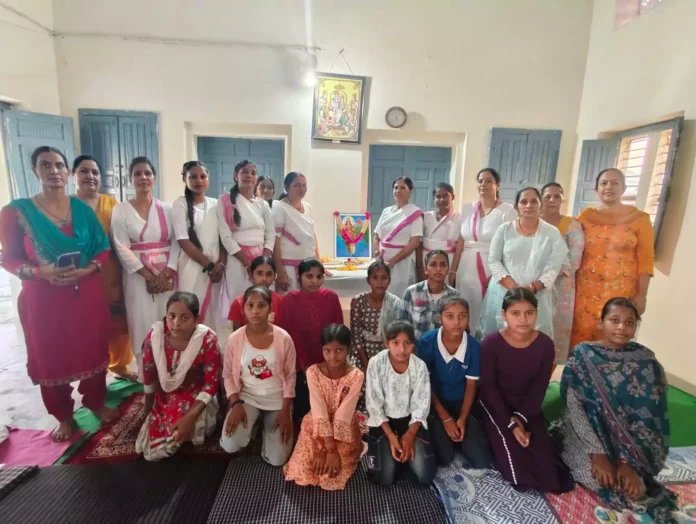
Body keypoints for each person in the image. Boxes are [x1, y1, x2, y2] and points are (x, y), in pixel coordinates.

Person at [0, 146, 118, 441]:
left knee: (92, 347)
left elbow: (102, 249)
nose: (53, 171)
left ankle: (96, 402)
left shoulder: (81, 210)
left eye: (58, 165)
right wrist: (39, 272)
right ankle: (63, 415)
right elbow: (9, 258)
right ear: (34, 171)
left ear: (67, 172)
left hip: (86, 292)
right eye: (45, 165)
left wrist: (88, 269)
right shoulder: (17, 212)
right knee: (50, 354)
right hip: (43, 299)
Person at [560, 298, 675, 522]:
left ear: (635, 327)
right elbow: (574, 406)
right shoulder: (582, 355)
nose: (621, 327)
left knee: (634, 489)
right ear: (601, 322)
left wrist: (628, 463)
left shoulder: (647, 362)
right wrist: (598, 453)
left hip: (633, 446)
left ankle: (635, 472)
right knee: (596, 478)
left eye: (629, 322)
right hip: (589, 433)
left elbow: (652, 419)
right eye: (614, 320)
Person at [479, 288, 572, 493]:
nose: (523, 319)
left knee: (548, 469)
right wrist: (511, 424)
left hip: (527, 406)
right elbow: (488, 388)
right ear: (504, 315)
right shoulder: (491, 344)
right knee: (516, 469)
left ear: (536, 314)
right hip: (496, 406)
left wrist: (521, 417)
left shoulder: (545, 345)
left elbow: (539, 387)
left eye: (529, 313)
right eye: (515, 313)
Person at [112, 157, 179, 378]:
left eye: (147, 173)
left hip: (166, 276)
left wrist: (166, 272)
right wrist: (148, 276)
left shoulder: (167, 210)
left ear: (154, 177)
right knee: (141, 320)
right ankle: (147, 375)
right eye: (137, 174)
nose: (143, 178)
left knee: (168, 320)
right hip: (137, 277)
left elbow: (177, 242)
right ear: (130, 179)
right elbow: (121, 246)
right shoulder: (121, 210)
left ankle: (170, 372)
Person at [571, 168, 654, 348]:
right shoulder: (586, 217)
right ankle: (579, 375)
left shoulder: (639, 219)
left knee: (615, 337)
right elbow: (569, 244)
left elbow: (646, 260)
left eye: (615, 183)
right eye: (604, 183)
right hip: (585, 294)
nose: (609, 187)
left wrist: (642, 295)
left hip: (622, 293)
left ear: (623, 188)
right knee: (582, 340)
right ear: (597, 189)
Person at [135, 292, 222, 461]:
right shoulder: (155, 338)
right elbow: (149, 374)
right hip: (165, 397)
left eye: (184, 317)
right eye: (171, 316)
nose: (176, 323)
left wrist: (190, 417)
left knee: (185, 432)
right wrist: (147, 411)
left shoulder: (207, 340)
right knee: (146, 449)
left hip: (197, 396)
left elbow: (211, 383)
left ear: (196, 319)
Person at [74, 154, 135, 381]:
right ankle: (92, 372)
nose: (90, 176)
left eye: (95, 172)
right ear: (73, 176)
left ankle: (119, 365)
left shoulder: (112, 205)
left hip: (111, 270)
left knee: (119, 321)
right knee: (89, 326)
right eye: (83, 171)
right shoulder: (68, 206)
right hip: (81, 274)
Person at [220, 286, 296, 466]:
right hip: (247, 398)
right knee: (231, 444)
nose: (255, 311)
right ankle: (252, 426)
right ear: (243, 308)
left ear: (270, 308)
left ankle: (265, 433)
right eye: (250, 305)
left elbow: (291, 376)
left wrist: (285, 410)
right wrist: (236, 403)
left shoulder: (283, 338)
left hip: (277, 400)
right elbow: (229, 375)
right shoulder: (235, 339)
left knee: (277, 459)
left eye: (261, 305)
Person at [478, 187, 568, 339]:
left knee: (533, 339)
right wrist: (515, 290)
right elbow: (493, 260)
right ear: (516, 207)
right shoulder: (504, 229)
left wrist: (532, 288)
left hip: (538, 294)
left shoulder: (552, 232)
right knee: (500, 338)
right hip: (504, 292)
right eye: (524, 201)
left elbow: (555, 265)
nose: (529, 205)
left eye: (534, 201)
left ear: (541, 205)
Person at [284, 324, 364, 491]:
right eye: (327, 350)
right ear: (322, 349)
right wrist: (324, 448)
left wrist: (333, 450)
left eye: (339, 350)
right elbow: (318, 409)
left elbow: (344, 414)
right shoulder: (313, 372)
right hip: (316, 426)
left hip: (343, 432)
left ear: (348, 349)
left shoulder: (356, 375)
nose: (332, 356)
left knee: (330, 477)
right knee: (303, 471)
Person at [417, 297, 492, 468]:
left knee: (482, 460)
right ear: (440, 319)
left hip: (462, 403)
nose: (457, 322)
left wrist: (462, 419)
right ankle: (448, 437)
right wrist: (445, 419)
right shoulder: (427, 343)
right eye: (450, 316)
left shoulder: (473, 347)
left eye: (462, 316)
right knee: (444, 458)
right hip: (435, 404)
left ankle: (460, 436)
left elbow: (471, 385)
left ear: (468, 318)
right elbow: (424, 385)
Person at [364, 321, 436, 486]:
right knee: (383, 479)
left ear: (413, 344)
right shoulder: (376, 363)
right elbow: (374, 403)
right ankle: (389, 452)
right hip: (383, 423)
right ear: (386, 343)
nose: (402, 350)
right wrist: (390, 436)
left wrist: (410, 435)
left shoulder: (419, 366)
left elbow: (422, 404)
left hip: (410, 422)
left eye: (407, 343)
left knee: (426, 475)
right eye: (395, 343)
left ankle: (405, 453)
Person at [277, 258, 343, 419]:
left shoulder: (331, 298)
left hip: (327, 361)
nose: (315, 281)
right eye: (309, 276)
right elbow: (283, 336)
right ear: (299, 277)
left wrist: (330, 361)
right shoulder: (289, 301)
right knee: (304, 409)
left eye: (319, 276)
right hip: (298, 364)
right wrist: (302, 364)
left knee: (328, 408)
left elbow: (338, 332)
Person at [451, 168, 516, 330]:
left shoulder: (507, 211)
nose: (483, 184)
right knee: (466, 306)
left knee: (487, 309)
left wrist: (500, 272)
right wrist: (453, 270)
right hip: (466, 267)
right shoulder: (467, 208)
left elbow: (511, 245)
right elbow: (460, 241)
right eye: (480, 181)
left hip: (492, 266)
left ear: (497, 185)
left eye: (488, 181)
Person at [173, 161, 226, 333]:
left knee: (213, 312)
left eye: (203, 176)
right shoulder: (180, 204)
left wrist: (221, 265)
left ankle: (209, 351)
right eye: (193, 177)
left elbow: (223, 238)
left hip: (215, 272)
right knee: (190, 309)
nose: (199, 180)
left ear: (208, 179)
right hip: (192, 267)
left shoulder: (216, 204)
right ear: (184, 179)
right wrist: (209, 265)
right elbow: (183, 241)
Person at [217, 160, 275, 310]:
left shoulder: (262, 204)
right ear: (236, 176)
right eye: (245, 172)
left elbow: (270, 233)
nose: (249, 175)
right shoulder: (225, 201)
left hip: (261, 258)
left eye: (253, 173)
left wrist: (264, 261)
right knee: (240, 302)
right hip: (237, 260)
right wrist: (248, 264)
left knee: (263, 302)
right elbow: (225, 236)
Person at [540, 182, 584, 364]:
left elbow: (574, 259)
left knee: (555, 332)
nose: (552, 200)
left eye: (556, 196)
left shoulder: (572, 225)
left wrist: (547, 275)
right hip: (534, 284)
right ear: (541, 199)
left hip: (561, 287)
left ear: (562, 200)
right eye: (548, 196)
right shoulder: (533, 221)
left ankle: (547, 379)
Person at [373, 177, 424, 298]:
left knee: (399, 297)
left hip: (402, 263)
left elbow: (415, 241)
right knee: (381, 296)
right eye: (396, 188)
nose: (398, 191)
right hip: (382, 262)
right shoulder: (386, 211)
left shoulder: (415, 213)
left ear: (410, 191)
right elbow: (376, 236)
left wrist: (393, 261)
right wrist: (377, 255)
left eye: (402, 188)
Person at [272, 172, 322, 292]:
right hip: (288, 267)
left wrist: (319, 263)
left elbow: (312, 236)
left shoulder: (308, 207)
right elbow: (275, 242)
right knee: (290, 305)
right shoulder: (279, 207)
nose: (302, 189)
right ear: (287, 187)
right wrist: (280, 273)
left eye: (304, 185)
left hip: (309, 266)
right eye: (297, 185)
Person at [401, 249, 460, 340]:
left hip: (443, 350)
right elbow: (403, 326)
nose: (438, 269)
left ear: (448, 269)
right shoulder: (412, 292)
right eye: (433, 265)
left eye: (443, 265)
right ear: (425, 269)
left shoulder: (454, 295)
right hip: (417, 349)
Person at [416, 182, 460, 282]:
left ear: (452, 197)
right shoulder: (425, 217)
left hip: (448, 261)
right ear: (434, 199)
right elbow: (418, 243)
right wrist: (420, 268)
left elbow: (460, 248)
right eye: (438, 196)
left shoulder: (460, 219)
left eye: (445, 196)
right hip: (426, 261)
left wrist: (453, 271)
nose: (442, 200)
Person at [228, 255, 284, 331]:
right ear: (251, 275)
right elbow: (237, 336)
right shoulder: (239, 302)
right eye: (259, 273)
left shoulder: (282, 301)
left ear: (274, 276)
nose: (264, 279)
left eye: (269, 274)